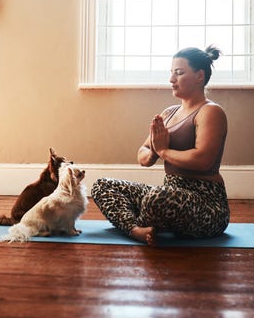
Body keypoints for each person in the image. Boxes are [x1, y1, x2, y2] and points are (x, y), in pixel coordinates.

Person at [91, 45, 229, 245]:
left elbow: (203, 160)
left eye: (179, 73)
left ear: (199, 76)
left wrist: (163, 150)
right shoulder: (168, 113)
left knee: (157, 198)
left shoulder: (211, 112)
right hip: (170, 191)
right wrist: (155, 149)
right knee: (103, 185)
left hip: (207, 204)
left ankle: (132, 223)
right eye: (171, 73)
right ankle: (137, 229)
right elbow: (143, 155)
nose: (171, 80)